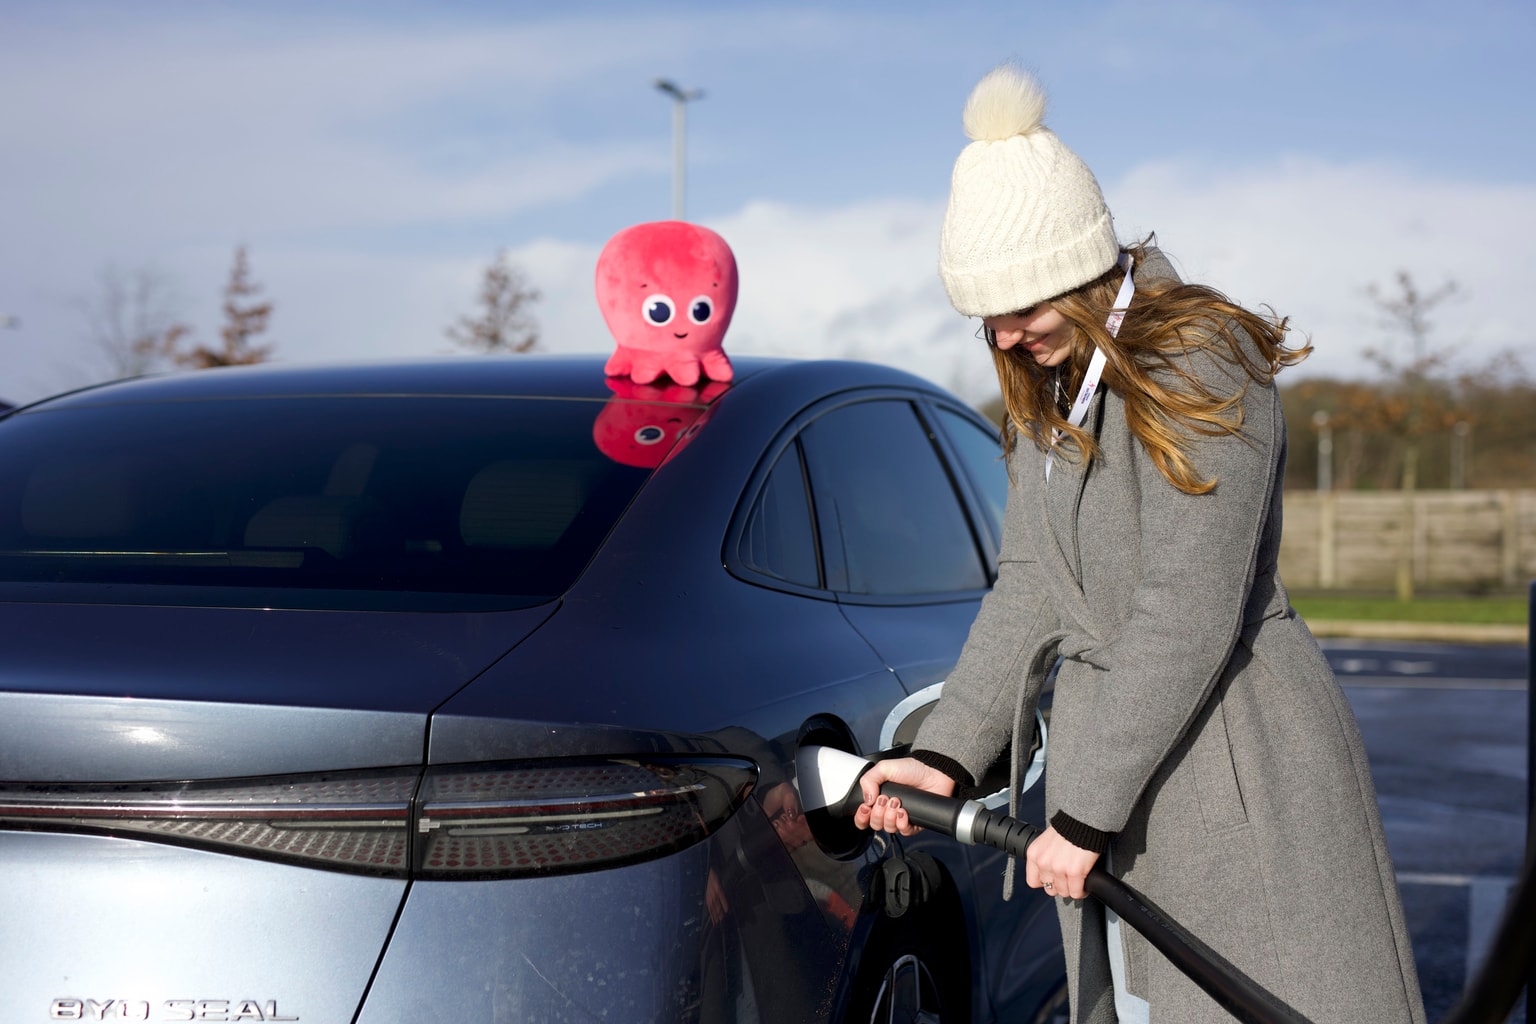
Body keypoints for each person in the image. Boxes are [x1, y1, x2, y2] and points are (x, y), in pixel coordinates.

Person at [854, 64, 1427, 1024]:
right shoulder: (1047, 390)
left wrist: (1084, 814)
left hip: (1233, 761)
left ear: (1079, 275)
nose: (1003, 336)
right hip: (1118, 772)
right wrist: (948, 754)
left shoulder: (1204, 356)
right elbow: (1032, 585)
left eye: (1021, 308)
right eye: (984, 316)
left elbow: (1187, 605)